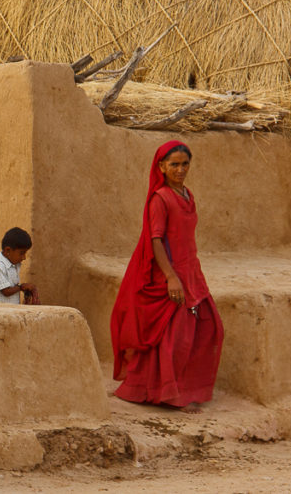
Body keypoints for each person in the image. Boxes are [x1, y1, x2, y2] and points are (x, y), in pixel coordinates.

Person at [109, 140, 223, 413]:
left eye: (184, 164)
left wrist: (189, 273)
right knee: (175, 336)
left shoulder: (186, 195)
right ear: (161, 166)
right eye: (174, 164)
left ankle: (177, 389)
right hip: (169, 274)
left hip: (191, 272)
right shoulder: (160, 198)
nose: (180, 169)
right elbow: (156, 240)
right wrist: (171, 278)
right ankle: (171, 395)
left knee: (209, 329)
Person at [0, 227, 40, 304]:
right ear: (8, 250)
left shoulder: (14, 264)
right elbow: (6, 291)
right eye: (21, 253)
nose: (24, 257)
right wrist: (21, 287)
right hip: (0, 311)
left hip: (11, 309)